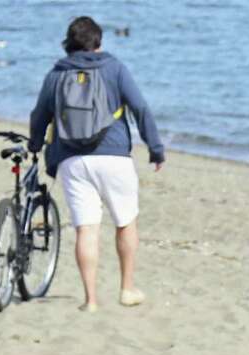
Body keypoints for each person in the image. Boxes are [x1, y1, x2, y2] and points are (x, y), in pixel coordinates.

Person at [28, 15, 164, 311]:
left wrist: (35, 145)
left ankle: (90, 300)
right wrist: (155, 148)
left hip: (71, 161)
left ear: (68, 43)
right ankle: (127, 288)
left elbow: (39, 115)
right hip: (114, 156)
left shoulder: (56, 73)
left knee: (86, 229)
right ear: (98, 41)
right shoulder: (113, 68)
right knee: (125, 222)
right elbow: (140, 107)